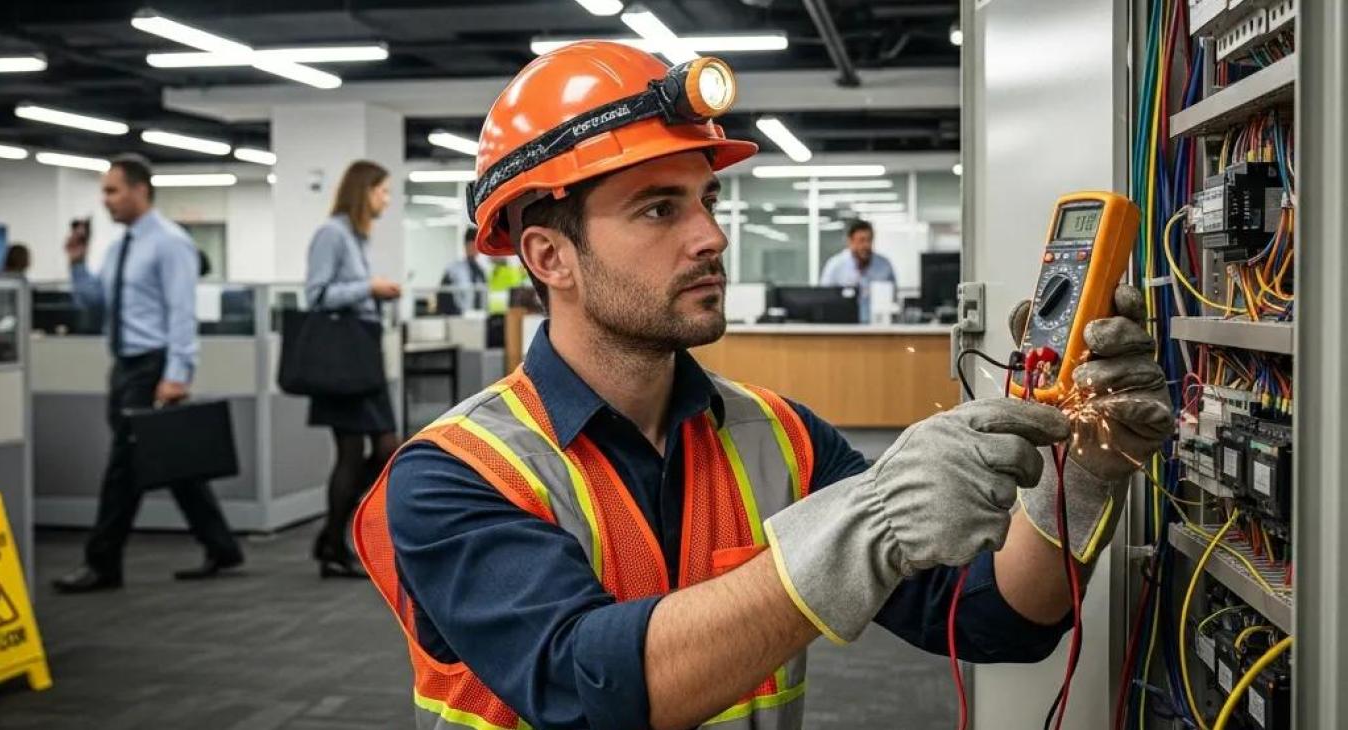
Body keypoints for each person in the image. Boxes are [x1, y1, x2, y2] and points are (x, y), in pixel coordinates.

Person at [354, 43, 1173, 730]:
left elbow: (997, 619)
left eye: (707, 201)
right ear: (548, 257)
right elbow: (582, 682)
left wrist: (1084, 476)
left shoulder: (781, 437)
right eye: (656, 210)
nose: (710, 236)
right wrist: (868, 523)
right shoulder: (456, 473)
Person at [53, 154, 244, 594]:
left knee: (123, 467)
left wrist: (178, 372)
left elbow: (182, 313)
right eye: (104, 192)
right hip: (124, 365)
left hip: (154, 365)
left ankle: (102, 562)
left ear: (141, 190)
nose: (106, 201)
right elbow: (96, 307)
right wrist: (78, 264)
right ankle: (222, 545)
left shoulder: (170, 242)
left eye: (112, 191)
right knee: (170, 459)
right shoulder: (119, 247)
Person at [304, 159, 403, 579]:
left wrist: (373, 292)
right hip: (342, 361)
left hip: (361, 356)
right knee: (357, 451)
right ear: (364, 191)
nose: (386, 199)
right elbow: (316, 294)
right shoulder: (332, 233)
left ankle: (330, 537)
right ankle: (332, 545)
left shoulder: (358, 237)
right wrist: (368, 287)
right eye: (382, 191)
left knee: (383, 448)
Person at [819, 219, 897, 322]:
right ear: (850, 241)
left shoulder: (884, 265)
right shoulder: (835, 265)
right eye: (861, 240)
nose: (866, 245)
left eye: (869, 240)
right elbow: (823, 298)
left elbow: (893, 298)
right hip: (844, 326)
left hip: (877, 327)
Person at [437, 226, 487, 314]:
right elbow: (443, 297)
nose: (473, 249)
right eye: (470, 245)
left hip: (479, 318)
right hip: (459, 317)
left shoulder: (481, 271)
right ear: (465, 246)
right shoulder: (453, 270)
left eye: (475, 246)